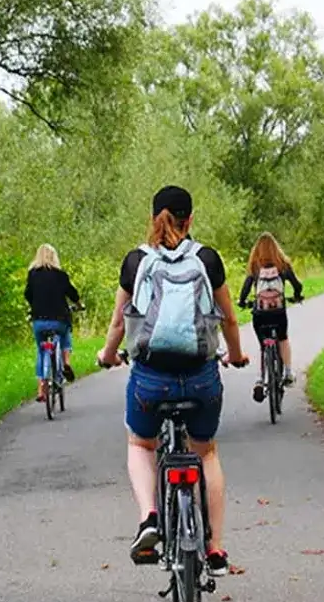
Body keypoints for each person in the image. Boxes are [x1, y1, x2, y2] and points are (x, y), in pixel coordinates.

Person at [97, 185, 249, 577]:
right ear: (191, 219)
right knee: (206, 453)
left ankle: (149, 517)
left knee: (140, 444)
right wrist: (234, 355)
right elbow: (229, 319)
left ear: (153, 218)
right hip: (201, 378)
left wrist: (108, 355)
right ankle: (215, 549)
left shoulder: (136, 261)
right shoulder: (207, 259)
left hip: (151, 379)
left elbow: (119, 322)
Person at [238, 232, 303, 400]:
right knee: (282, 339)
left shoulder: (255, 267)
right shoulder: (283, 265)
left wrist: (242, 302)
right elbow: (297, 285)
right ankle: (288, 372)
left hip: (260, 315)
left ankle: (261, 379)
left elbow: (245, 289)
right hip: (278, 313)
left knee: (263, 346)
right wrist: (297, 295)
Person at [25, 244, 81, 402]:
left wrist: (34, 305)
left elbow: (27, 294)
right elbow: (72, 293)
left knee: (41, 350)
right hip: (59, 320)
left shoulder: (32, 275)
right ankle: (66, 363)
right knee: (65, 336)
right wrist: (78, 304)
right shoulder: (60, 275)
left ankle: (41, 389)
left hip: (39, 320)